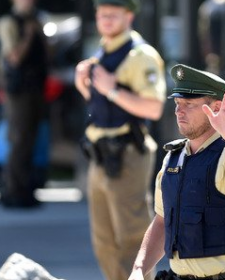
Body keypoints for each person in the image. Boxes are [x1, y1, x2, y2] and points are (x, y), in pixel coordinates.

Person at [128, 64, 225, 280]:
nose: (178, 110)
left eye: (189, 104)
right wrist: (138, 269)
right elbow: (163, 221)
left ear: (217, 107)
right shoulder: (173, 158)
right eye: (177, 103)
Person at [74, 0, 166, 280]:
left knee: (132, 239)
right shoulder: (103, 52)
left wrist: (112, 90)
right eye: (102, 15)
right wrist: (85, 86)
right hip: (101, 154)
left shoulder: (141, 56)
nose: (106, 20)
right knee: (104, 241)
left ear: (130, 16)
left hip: (127, 153)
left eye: (113, 15)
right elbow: (104, 108)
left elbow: (153, 108)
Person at [0, 0, 49, 208]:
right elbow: (14, 58)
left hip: (35, 89)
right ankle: (13, 190)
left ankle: (26, 188)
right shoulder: (9, 23)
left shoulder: (36, 20)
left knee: (30, 139)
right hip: (18, 91)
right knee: (19, 139)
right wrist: (29, 35)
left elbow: (47, 55)